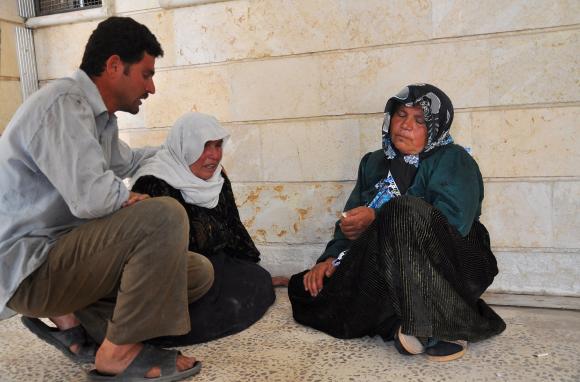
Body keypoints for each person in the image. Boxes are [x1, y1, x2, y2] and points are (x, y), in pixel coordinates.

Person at [0, 17, 213, 381]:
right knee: (163, 217)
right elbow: (92, 198)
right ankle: (118, 355)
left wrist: (181, 154)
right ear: (115, 65)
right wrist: (134, 200)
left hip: (63, 255)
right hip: (29, 267)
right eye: (146, 75)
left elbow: (126, 162)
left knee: (194, 273)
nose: (152, 88)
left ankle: (78, 326)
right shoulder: (63, 105)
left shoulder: (100, 120)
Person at [288, 84, 506, 362]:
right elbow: (350, 221)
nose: (405, 125)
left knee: (404, 210)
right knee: (306, 288)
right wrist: (330, 257)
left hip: (453, 261)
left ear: (435, 128)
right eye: (400, 115)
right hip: (390, 265)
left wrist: (379, 218)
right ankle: (398, 325)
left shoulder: (453, 159)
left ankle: (445, 324)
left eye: (418, 120)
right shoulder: (373, 163)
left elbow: (454, 223)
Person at [125, 112, 279, 346]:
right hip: (179, 275)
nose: (214, 156)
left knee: (257, 281)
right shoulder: (152, 182)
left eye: (218, 146)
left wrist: (252, 266)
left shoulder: (217, 178)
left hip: (218, 264)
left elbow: (233, 226)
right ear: (185, 147)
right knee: (190, 315)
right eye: (204, 146)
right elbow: (153, 255)